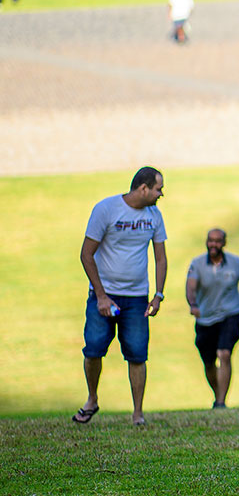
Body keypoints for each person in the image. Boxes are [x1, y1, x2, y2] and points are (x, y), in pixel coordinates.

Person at [76, 166, 167, 427]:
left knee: (137, 354)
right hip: (104, 297)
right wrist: (102, 297)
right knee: (93, 349)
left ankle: (138, 413)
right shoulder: (106, 209)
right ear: (143, 188)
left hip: (137, 298)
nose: (161, 194)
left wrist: (158, 295)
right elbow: (86, 254)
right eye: (158, 188)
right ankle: (92, 399)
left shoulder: (155, 215)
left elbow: (160, 257)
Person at [186, 228, 239, 409]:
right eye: (210, 240)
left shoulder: (235, 263)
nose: (213, 244)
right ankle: (218, 395)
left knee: (224, 354)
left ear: (224, 243)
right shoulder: (197, 264)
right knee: (209, 362)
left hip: (230, 314)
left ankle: (221, 402)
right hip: (205, 318)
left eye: (218, 241)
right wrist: (193, 304)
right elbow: (191, 287)